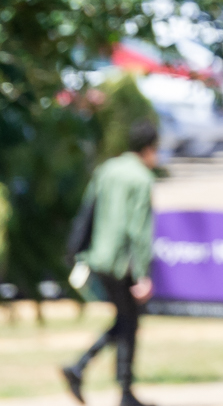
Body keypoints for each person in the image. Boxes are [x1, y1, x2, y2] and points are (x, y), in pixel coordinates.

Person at [63, 121, 160, 406]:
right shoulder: (142, 178)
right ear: (150, 148)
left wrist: (76, 251)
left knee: (125, 320)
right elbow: (139, 230)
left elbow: (87, 211)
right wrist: (144, 274)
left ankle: (94, 375)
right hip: (122, 263)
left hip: (99, 257)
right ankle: (109, 383)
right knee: (128, 322)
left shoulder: (107, 170)